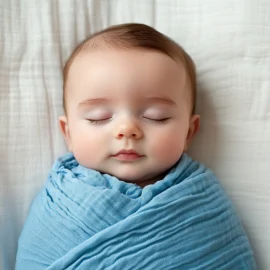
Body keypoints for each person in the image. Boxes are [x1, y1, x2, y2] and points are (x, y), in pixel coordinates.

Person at [16, 23, 256, 269]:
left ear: (188, 133)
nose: (127, 129)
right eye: (99, 116)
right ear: (69, 133)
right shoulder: (59, 203)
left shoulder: (203, 201)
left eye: (156, 116)